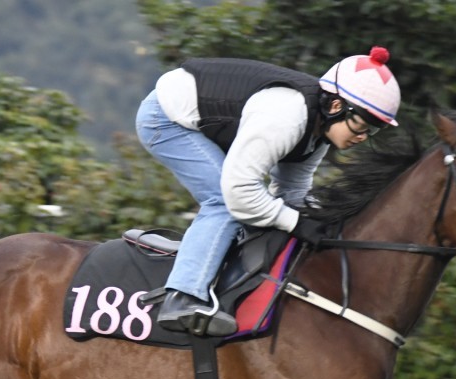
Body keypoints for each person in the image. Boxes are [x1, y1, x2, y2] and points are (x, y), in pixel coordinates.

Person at [135, 46, 401, 337]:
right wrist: (296, 223)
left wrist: (318, 223)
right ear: (337, 107)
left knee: (257, 207)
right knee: (225, 201)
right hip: (165, 119)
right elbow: (239, 193)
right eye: (362, 125)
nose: (362, 137)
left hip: (205, 120)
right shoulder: (288, 118)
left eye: (373, 131)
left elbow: (292, 191)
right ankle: (182, 298)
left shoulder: (318, 133)